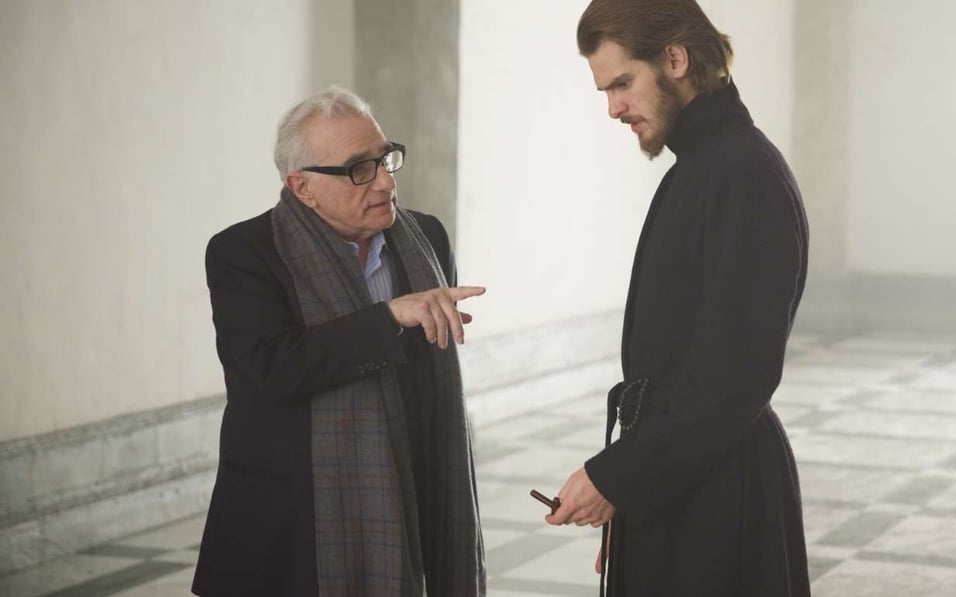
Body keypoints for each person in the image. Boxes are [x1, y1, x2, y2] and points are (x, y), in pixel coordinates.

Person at [545, 1, 812, 595]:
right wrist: (631, 490)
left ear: (675, 58)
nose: (614, 108)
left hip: (722, 497)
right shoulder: (705, 167)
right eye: (605, 91)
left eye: (623, 83)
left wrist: (615, 476)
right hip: (684, 481)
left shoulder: (742, 176)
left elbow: (735, 379)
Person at [191, 86, 486, 597]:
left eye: (385, 158)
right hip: (293, 516)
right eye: (358, 169)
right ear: (302, 187)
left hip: (412, 488)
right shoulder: (244, 253)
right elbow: (272, 370)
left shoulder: (428, 237)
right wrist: (389, 317)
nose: (385, 181)